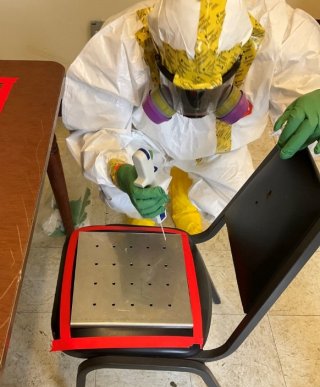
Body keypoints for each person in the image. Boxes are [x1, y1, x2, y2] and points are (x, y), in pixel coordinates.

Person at [62, 0, 320, 234]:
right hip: (150, 137)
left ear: (243, 52)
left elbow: (308, 67)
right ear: (157, 50)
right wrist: (121, 172)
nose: (196, 105)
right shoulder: (125, 38)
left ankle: (181, 187)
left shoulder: (276, 29)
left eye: (214, 90)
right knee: (124, 196)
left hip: (221, 146)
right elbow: (94, 122)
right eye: (182, 89)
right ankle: (145, 200)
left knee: (242, 207)